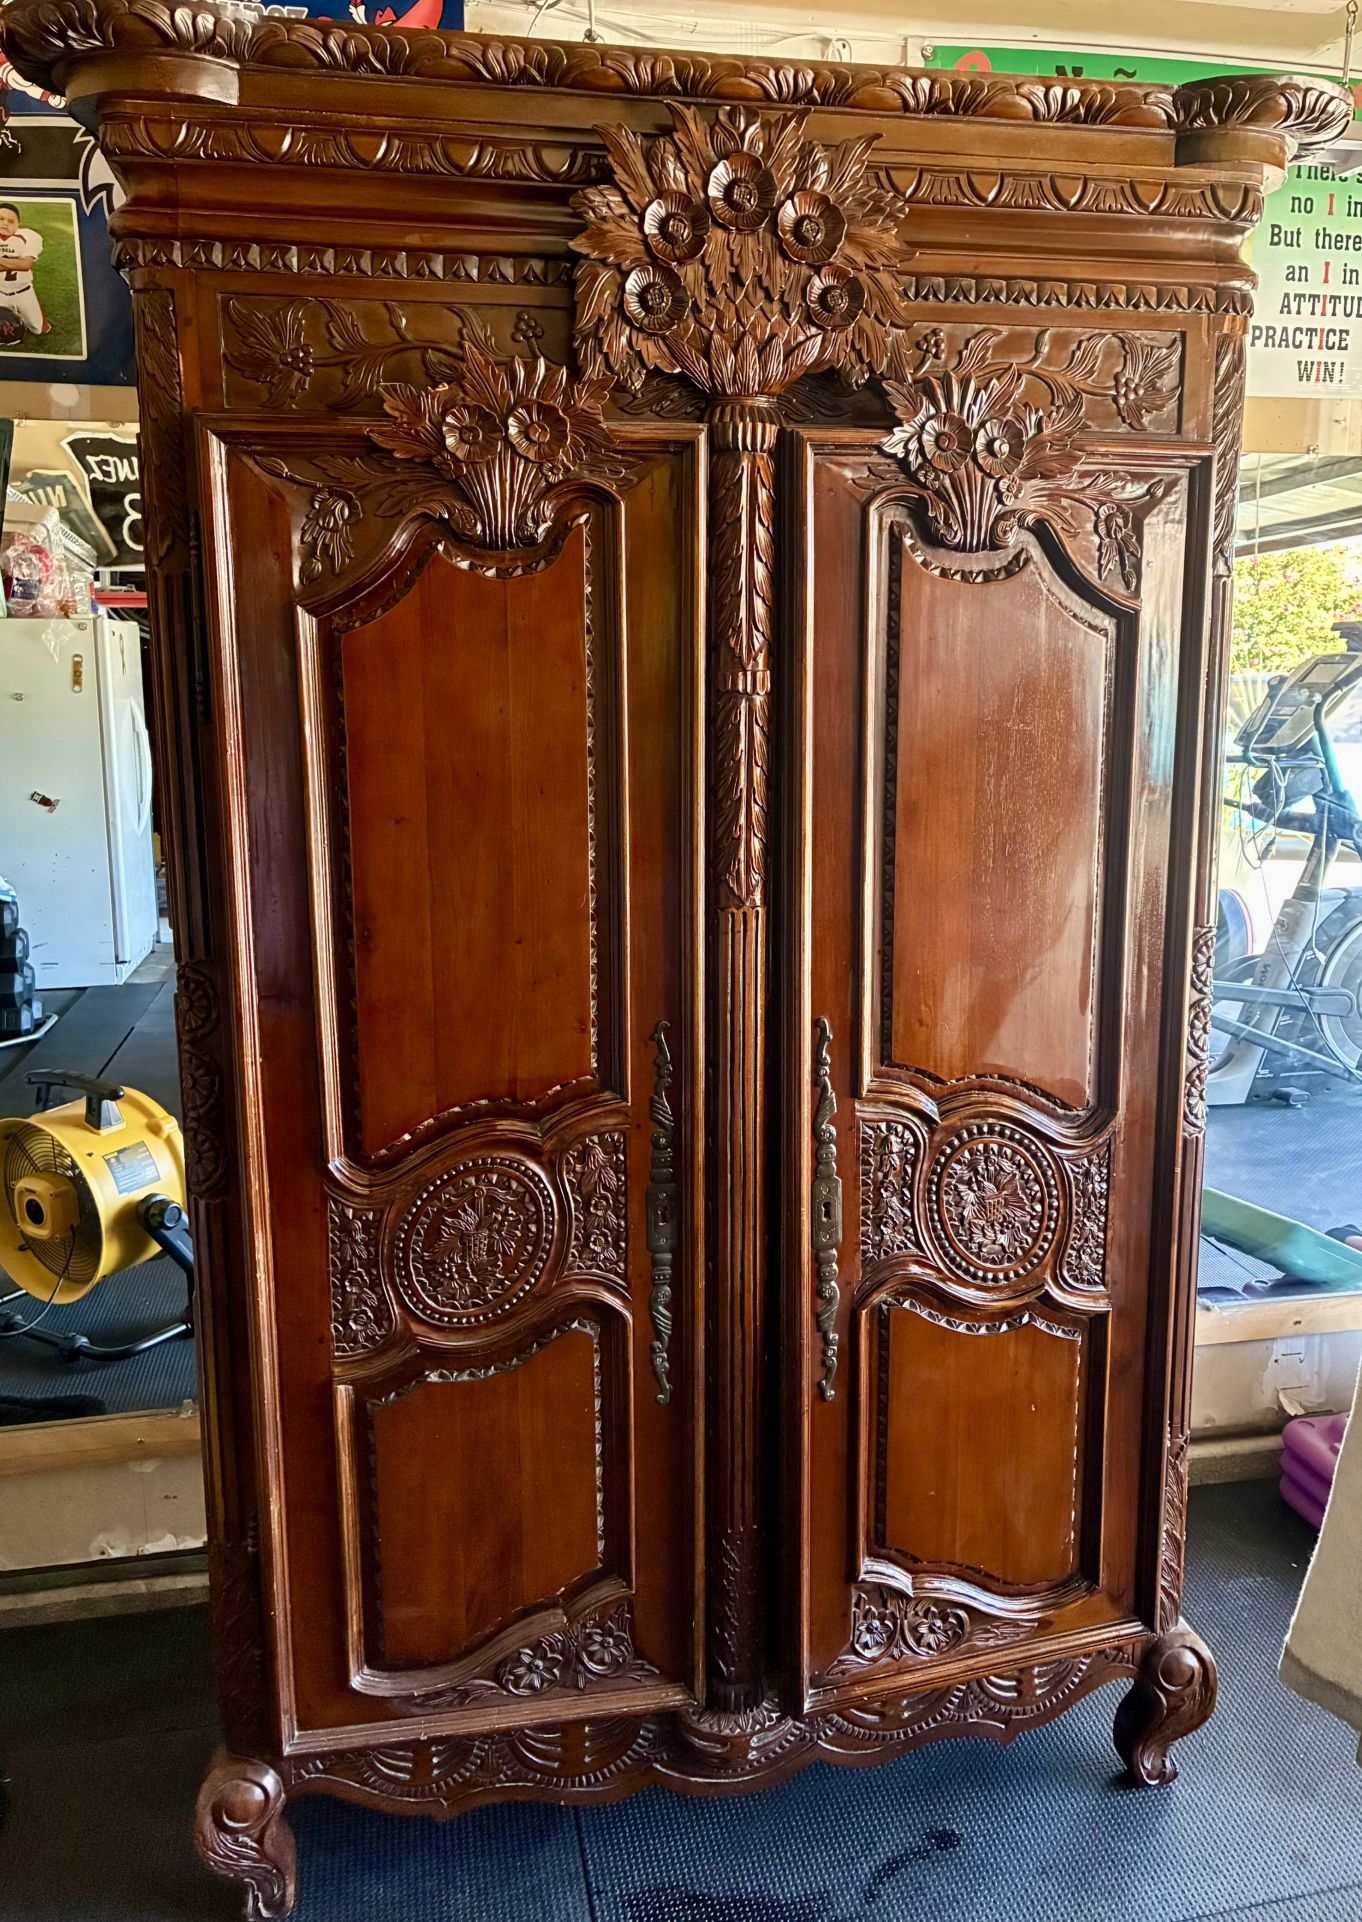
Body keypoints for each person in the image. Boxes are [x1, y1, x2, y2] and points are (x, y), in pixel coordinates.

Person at [0, 204, 48, 338]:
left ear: (18, 224)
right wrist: (15, 261)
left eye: (10, 221)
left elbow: (25, 265)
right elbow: (20, 263)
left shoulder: (29, 236)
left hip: (23, 291)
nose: (5, 224)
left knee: (37, 329)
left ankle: (18, 312)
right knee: (4, 329)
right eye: (1, 219)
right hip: (0, 291)